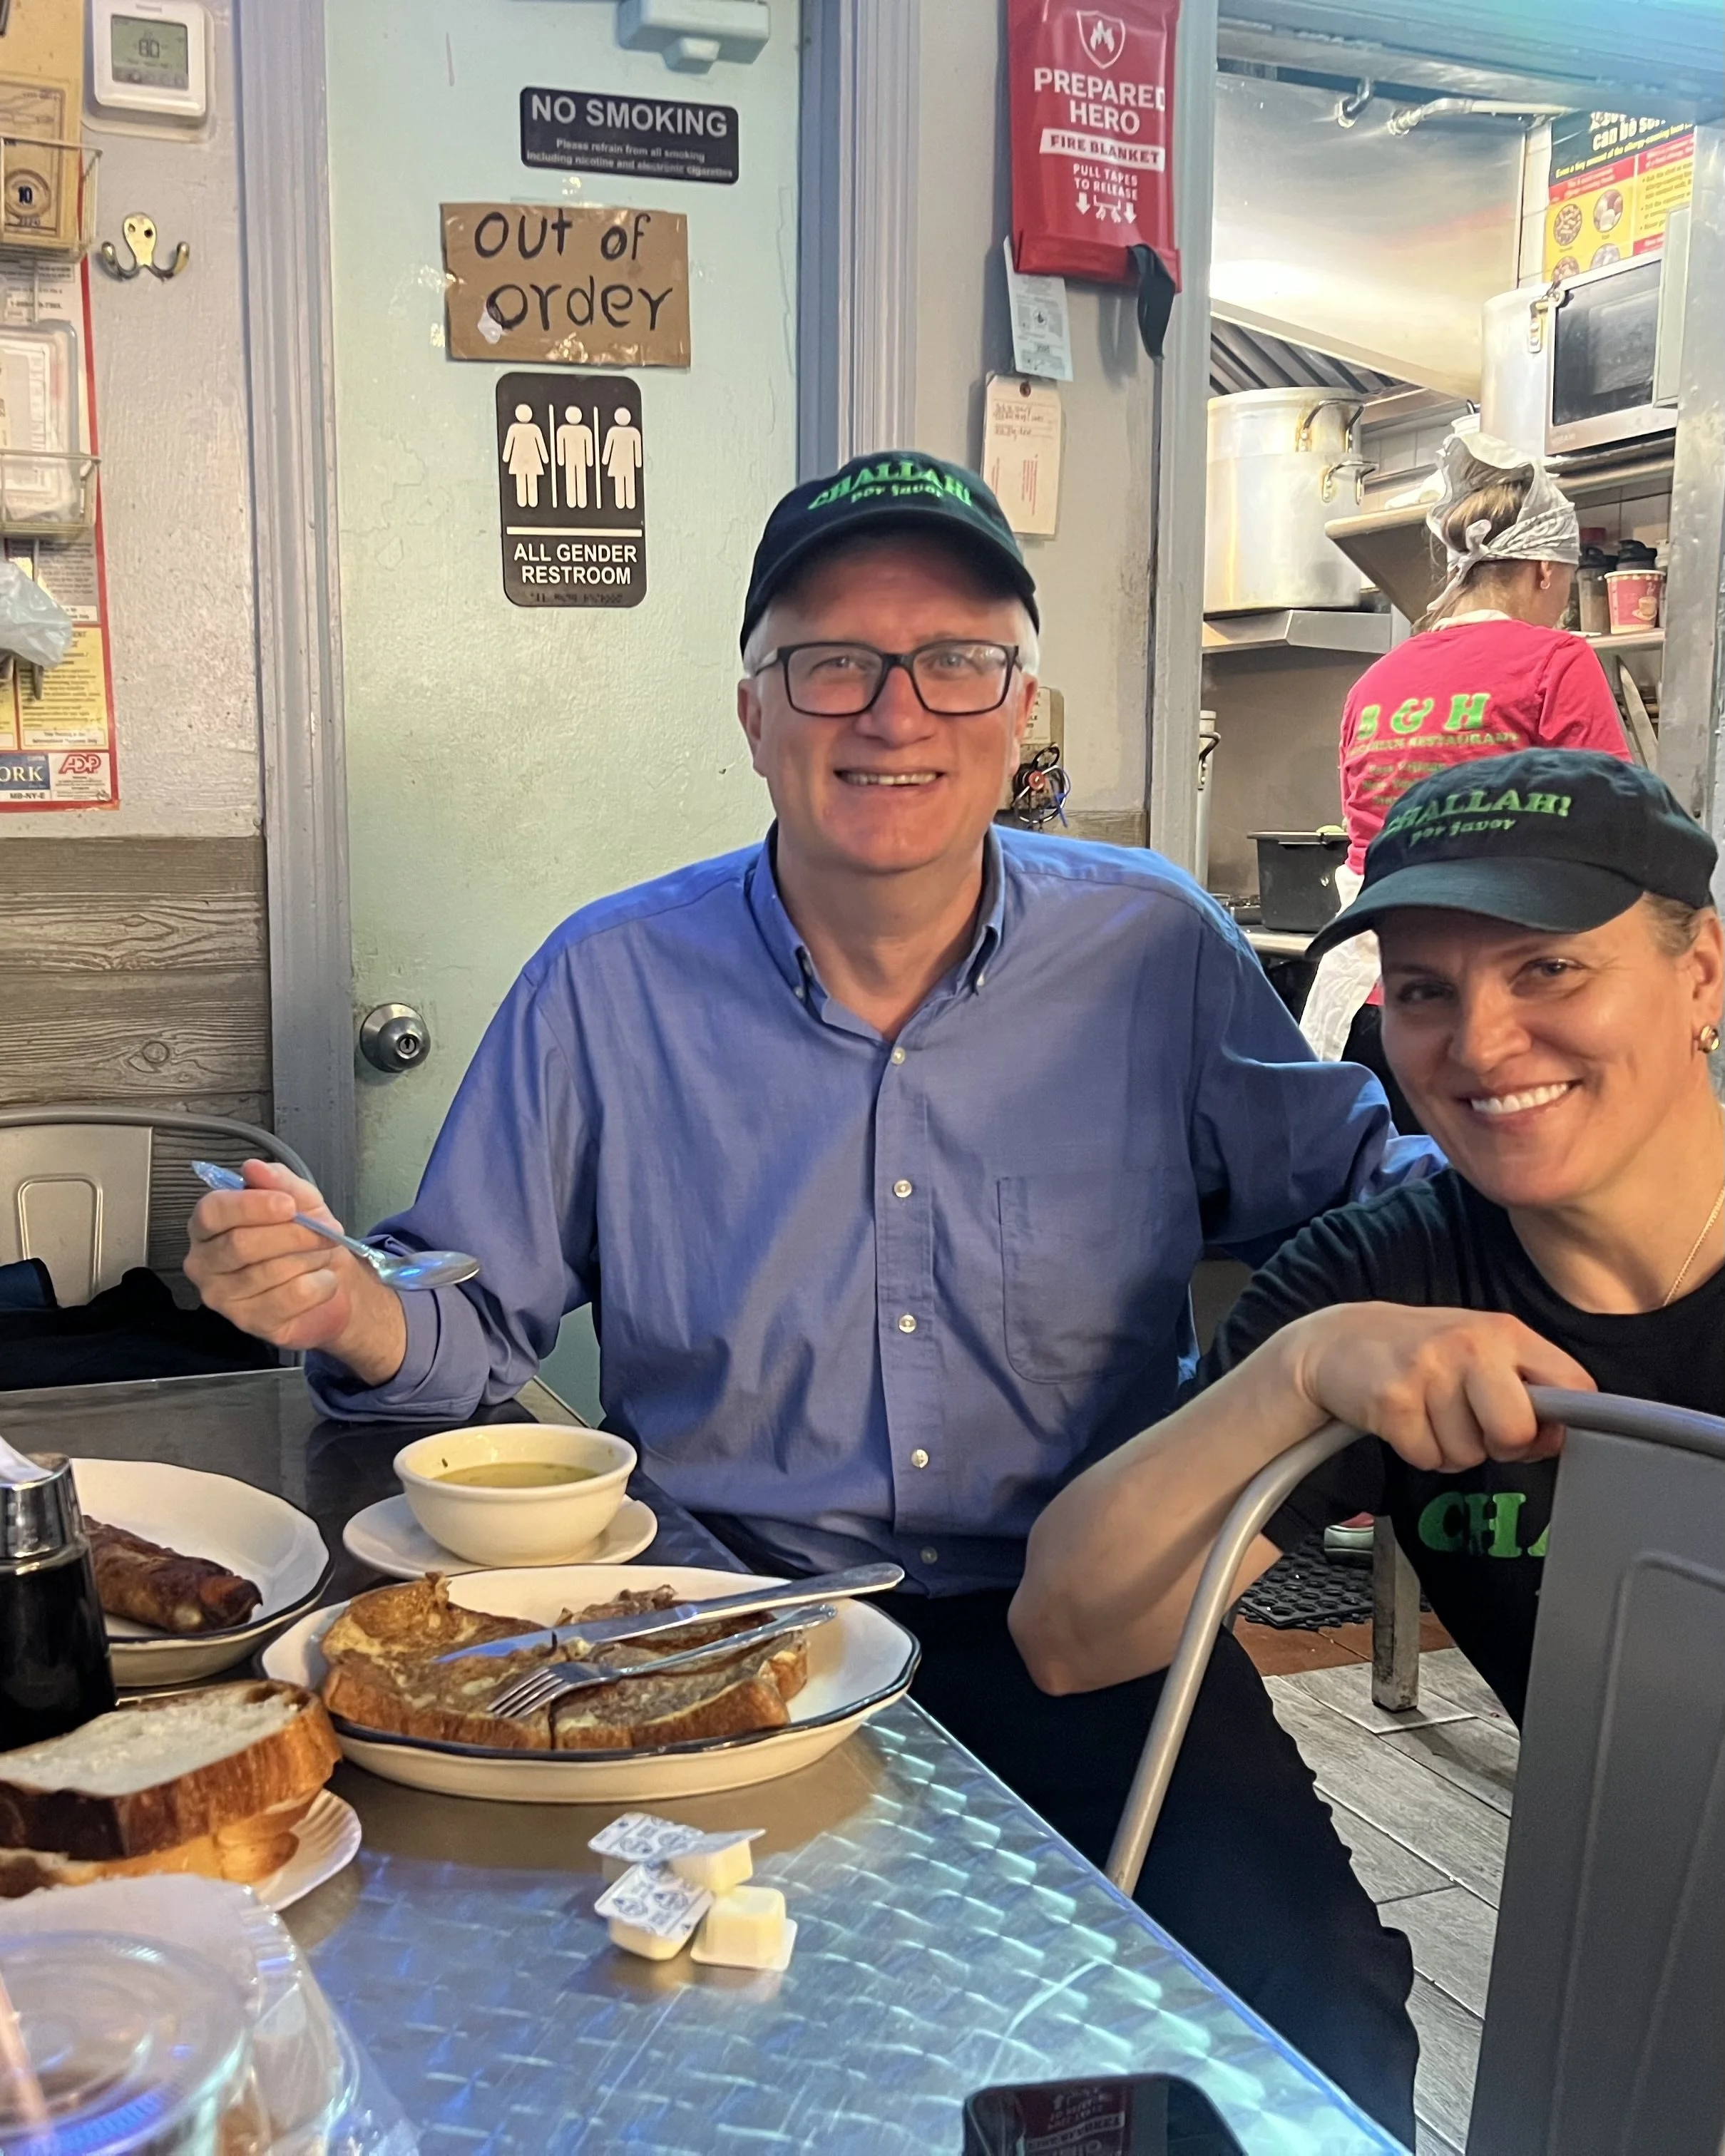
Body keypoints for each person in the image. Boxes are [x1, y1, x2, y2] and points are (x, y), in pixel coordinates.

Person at [187, 451, 1436, 2136]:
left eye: (955, 662)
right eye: (830, 661)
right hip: (715, 1639)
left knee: (1314, 2010)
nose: (891, 712)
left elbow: (1365, 1192)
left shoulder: (1154, 947)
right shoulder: (609, 980)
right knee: (716, 2053)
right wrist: (341, 1302)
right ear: (754, 710)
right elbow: (466, 1318)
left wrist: (1556, 1159)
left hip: (1096, 1620)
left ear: (1019, 708)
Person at [1014, 749, 1723, 1741]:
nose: (1477, 1045)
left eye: (1548, 970)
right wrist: (1295, 1375)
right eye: (1424, 991)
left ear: (1698, 977)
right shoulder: (1381, 1278)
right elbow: (1067, 1637)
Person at [1301, 433, 1632, 1129]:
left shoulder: (1374, 683)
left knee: (1393, 1224)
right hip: (1492, 1018)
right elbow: (1615, 838)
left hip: (1371, 1006)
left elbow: (1368, 841)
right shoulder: (1557, 661)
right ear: (1545, 570)